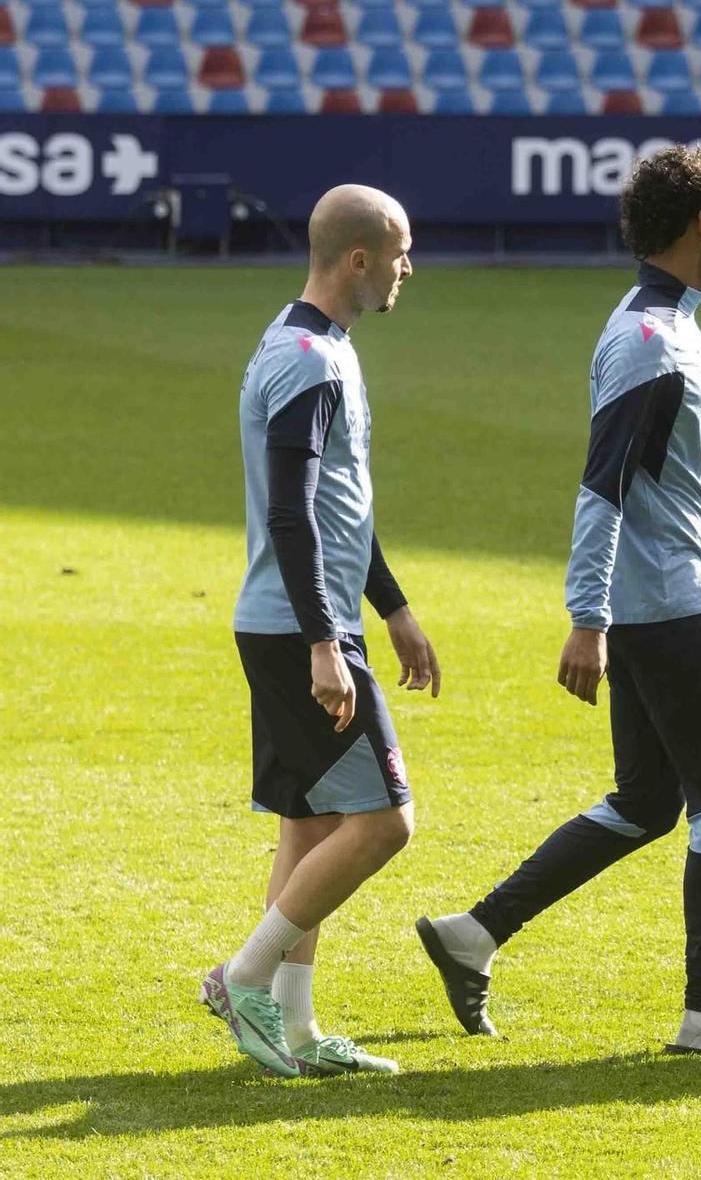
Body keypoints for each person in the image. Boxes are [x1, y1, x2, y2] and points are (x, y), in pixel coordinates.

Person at [416, 145, 701, 1058]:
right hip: (669, 609)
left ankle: (474, 933)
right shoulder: (651, 341)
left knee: (646, 800)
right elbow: (604, 488)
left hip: (660, 602)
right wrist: (586, 617)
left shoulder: (660, 324)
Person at [205, 184, 438, 1077]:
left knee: (309, 823)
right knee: (386, 822)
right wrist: (325, 642)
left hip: (299, 617)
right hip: (300, 626)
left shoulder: (311, 344)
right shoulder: (308, 360)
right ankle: (245, 976)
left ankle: (295, 1028)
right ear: (357, 259)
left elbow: (339, 509)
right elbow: (295, 517)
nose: (408, 267)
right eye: (401, 251)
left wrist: (395, 606)